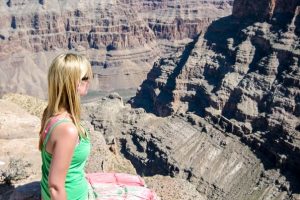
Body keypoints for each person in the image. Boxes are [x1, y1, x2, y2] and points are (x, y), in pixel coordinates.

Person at [39, 53, 93, 200]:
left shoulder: (50, 112)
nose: (89, 81)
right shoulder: (67, 130)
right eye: (85, 77)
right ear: (74, 83)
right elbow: (55, 187)